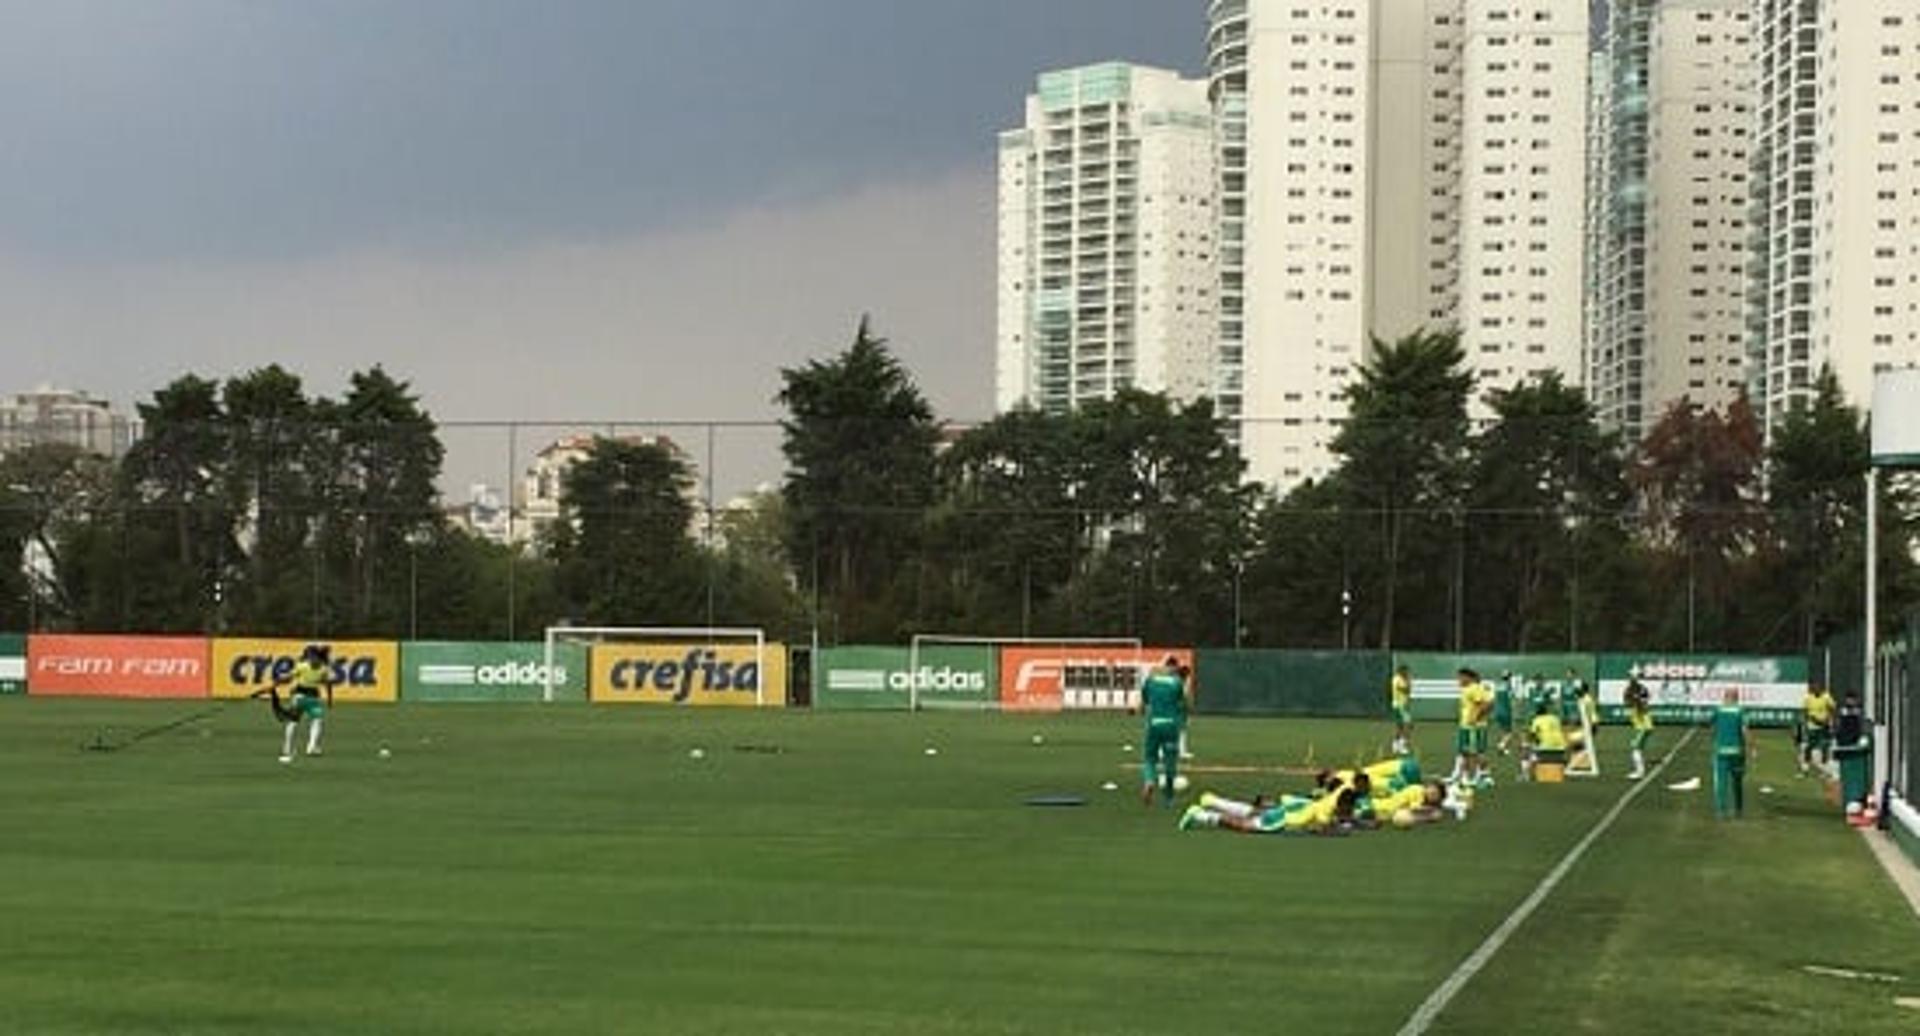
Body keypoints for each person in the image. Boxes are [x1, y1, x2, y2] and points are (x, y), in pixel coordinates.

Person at [1180, 787, 1364, 834]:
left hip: (1286, 812)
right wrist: (1342, 830)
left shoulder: (1328, 803)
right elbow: (1323, 828)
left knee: (1250, 813)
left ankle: (1211, 801)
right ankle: (1199, 814)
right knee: (1243, 826)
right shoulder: (1328, 808)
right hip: (1282, 820)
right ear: (1344, 805)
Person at [271, 644, 334, 764]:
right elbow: (289, 677)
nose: (312, 660)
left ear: (319, 658)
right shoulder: (302, 667)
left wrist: (330, 699)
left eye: (314, 657)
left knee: (317, 720)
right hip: (299, 696)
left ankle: (311, 747)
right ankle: (287, 747)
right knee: (293, 721)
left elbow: (328, 684)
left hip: (313, 699)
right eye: (310, 657)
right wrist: (277, 682)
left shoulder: (323, 669)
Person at [1139, 656, 1189, 807]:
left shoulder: (1151, 680)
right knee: (1170, 762)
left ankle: (1149, 781)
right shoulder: (1177, 683)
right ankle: (1168, 799)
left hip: (1154, 724)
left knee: (1150, 758)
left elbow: (1144, 703)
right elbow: (1183, 702)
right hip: (1171, 726)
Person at [1449, 669, 1495, 787]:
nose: (1458, 680)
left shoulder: (1474, 688)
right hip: (1466, 726)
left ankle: (1481, 776)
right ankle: (1464, 776)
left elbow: (1487, 704)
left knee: (1475, 752)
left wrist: (1477, 718)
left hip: (1473, 727)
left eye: (1460, 678)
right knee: (1466, 752)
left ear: (1467, 677)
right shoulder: (1467, 689)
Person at [1711, 688, 1750, 819]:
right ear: (1736, 697)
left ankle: (1721, 811)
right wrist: (1751, 747)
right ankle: (1738, 810)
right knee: (1737, 782)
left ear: (1725, 697)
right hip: (1737, 751)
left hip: (1721, 750)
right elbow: (1745, 731)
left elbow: (1713, 727)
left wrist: (1715, 740)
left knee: (1721, 782)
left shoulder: (1718, 709)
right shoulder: (1740, 710)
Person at [1800, 684, 1837, 777]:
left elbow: (1832, 708)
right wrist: (1808, 721)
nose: (1816, 690)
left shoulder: (1826, 697)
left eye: (1818, 688)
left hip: (1824, 724)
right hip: (1812, 725)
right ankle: (1805, 765)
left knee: (1825, 745)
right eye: (1815, 688)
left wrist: (1828, 718)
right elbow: (1805, 711)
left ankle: (1824, 767)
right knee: (1810, 744)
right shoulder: (1809, 698)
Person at [1525, 705, 1568, 780]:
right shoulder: (1555, 718)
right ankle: (1563, 766)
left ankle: (1527, 775)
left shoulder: (1537, 720)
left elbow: (1532, 735)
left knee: (1525, 751)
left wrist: (1535, 742)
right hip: (1561, 748)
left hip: (1545, 748)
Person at [1624, 677, 1654, 779]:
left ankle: (1640, 772)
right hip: (1644, 728)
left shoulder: (1640, 704)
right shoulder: (1637, 703)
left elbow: (1642, 705)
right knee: (1638, 748)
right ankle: (1639, 771)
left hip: (1644, 728)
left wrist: (1636, 699)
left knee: (1635, 749)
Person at [1390, 664, 1415, 755]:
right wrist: (1408, 682)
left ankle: (1396, 744)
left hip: (1404, 706)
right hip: (1399, 706)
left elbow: (1408, 691)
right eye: (1406, 671)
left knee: (1401, 726)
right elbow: (1405, 689)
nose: (1407, 673)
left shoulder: (1404, 680)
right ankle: (1401, 745)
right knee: (1407, 725)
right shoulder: (1397, 679)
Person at [1493, 671, 1519, 757]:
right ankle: (1501, 745)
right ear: (1509, 678)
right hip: (1506, 711)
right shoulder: (1508, 686)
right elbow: (1512, 699)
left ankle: (1504, 749)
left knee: (1503, 730)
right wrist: (1515, 711)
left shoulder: (1497, 686)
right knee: (1510, 732)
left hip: (1497, 711)